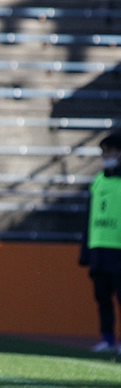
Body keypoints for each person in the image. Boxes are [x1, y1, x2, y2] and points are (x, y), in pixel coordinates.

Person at [79, 131, 121, 354]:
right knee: (102, 298)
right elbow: (90, 217)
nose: (106, 156)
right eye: (103, 152)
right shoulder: (98, 181)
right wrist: (86, 249)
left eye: (110, 151)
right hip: (99, 248)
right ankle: (107, 339)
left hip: (118, 249)